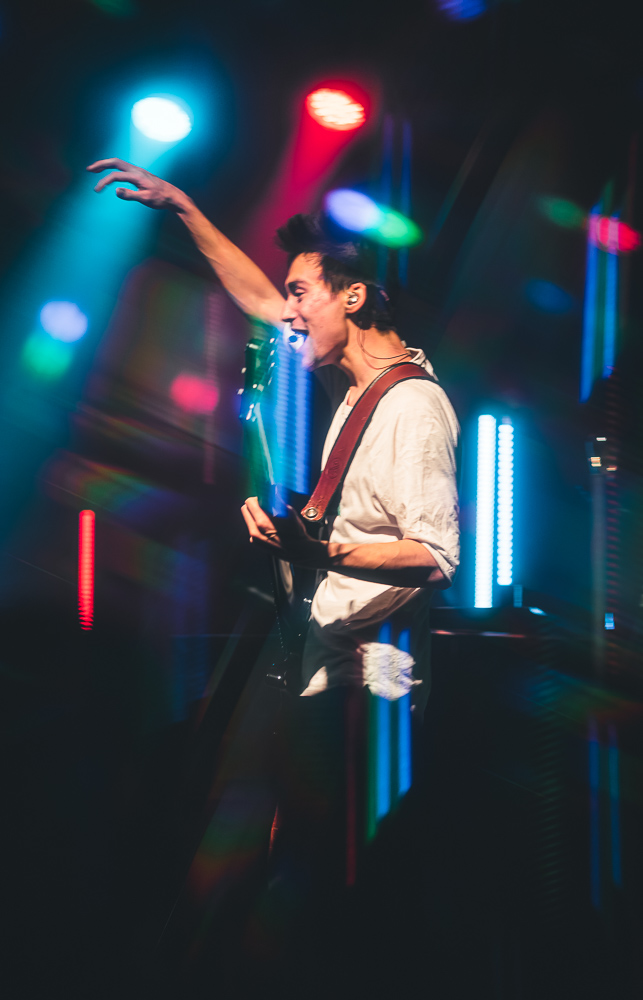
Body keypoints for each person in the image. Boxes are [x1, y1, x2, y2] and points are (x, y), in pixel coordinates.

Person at [87, 158, 460, 983]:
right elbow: (257, 297)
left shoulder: (414, 408)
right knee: (236, 815)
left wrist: (313, 550)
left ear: (351, 297)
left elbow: (436, 556)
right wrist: (185, 207)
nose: (285, 309)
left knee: (316, 863)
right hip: (310, 648)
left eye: (303, 292)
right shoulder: (353, 379)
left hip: (367, 672)